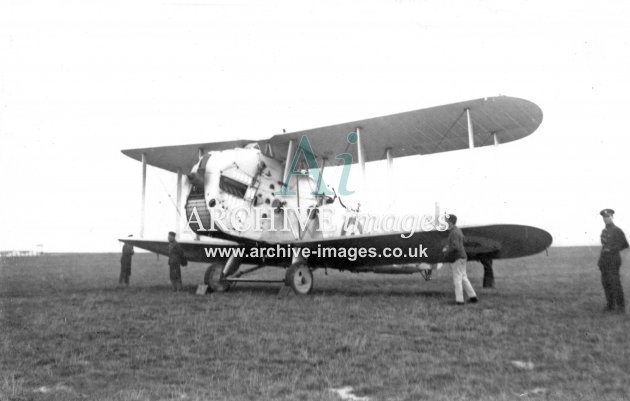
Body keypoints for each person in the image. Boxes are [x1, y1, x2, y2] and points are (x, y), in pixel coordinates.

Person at [598, 209, 628, 313]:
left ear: (612, 217)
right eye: (604, 217)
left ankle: (621, 307)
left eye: (608, 217)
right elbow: (604, 245)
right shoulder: (604, 231)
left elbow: (625, 244)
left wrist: (612, 249)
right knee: (606, 283)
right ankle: (610, 305)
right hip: (604, 260)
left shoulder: (617, 230)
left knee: (615, 283)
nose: (606, 219)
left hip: (613, 260)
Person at [442, 214, 478, 305]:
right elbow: (459, 244)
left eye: (447, 222)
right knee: (463, 278)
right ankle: (473, 297)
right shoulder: (458, 230)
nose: (446, 223)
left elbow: (455, 247)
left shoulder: (453, 232)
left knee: (457, 279)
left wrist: (446, 251)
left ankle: (459, 301)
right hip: (462, 257)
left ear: (450, 222)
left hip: (457, 258)